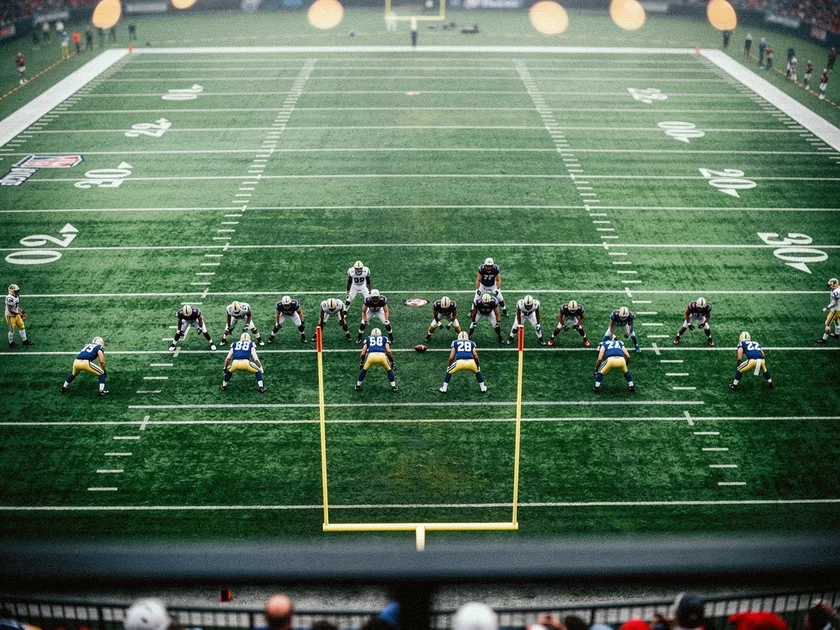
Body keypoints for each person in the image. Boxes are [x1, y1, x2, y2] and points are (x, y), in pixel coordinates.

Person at [355, 327, 397, 392]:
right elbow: (388, 351)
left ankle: (358, 386)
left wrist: (361, 363)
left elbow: (363, 353)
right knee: (389, 370)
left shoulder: (368, 339)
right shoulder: (385, 338)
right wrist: (392, 362)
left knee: (364, 370)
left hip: (371, 356)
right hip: (382, 356)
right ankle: (394, 387)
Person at [816, 277, 839, 343]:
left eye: (830, 285)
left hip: (835, 310)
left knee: (828, 324)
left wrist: (826, 308)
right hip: (839, 310)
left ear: (834, 285)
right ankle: (837, 334)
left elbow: (833, 303)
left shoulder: (835, 292)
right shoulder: (838, 288)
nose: (829, 286)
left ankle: (824, 340)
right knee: (836, 321)